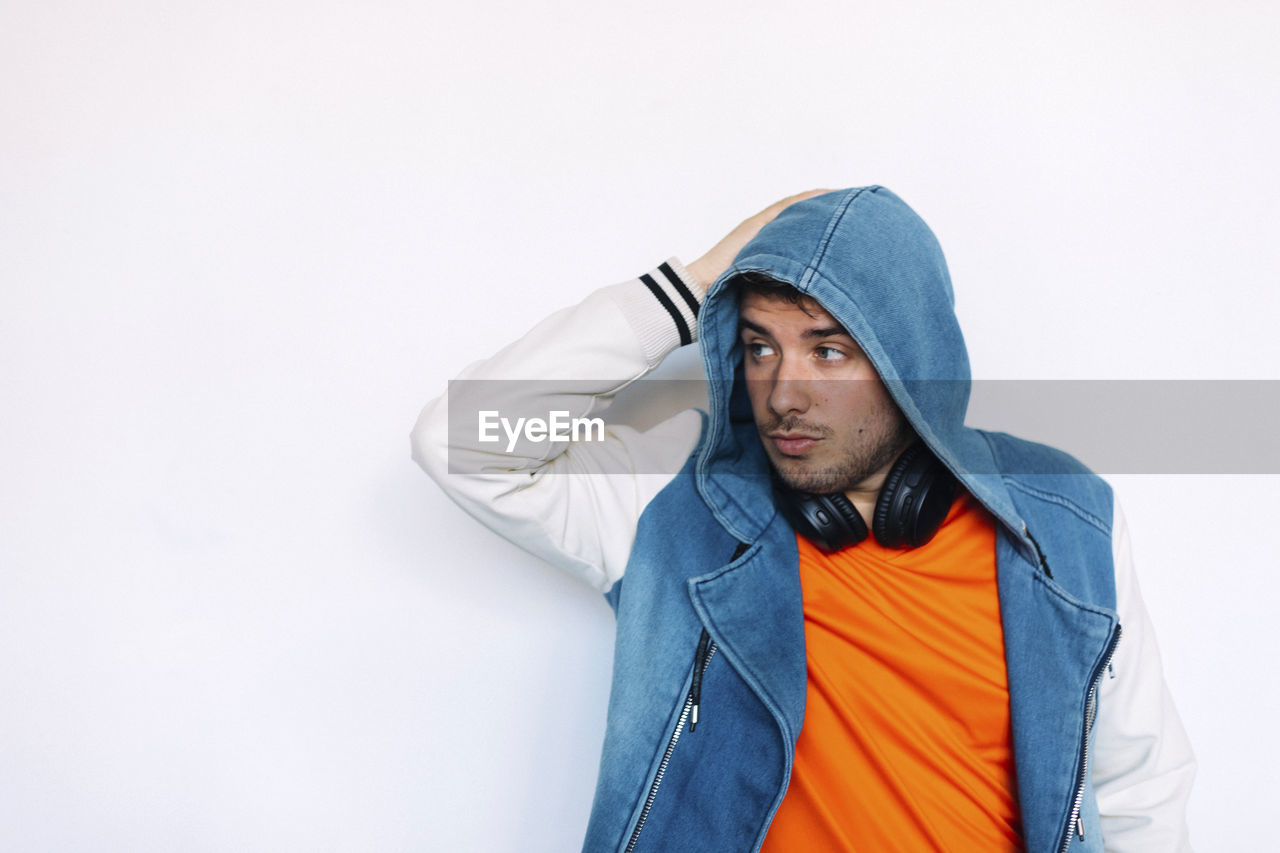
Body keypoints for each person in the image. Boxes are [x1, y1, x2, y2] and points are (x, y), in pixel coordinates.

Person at [411, 187, 1195, 852]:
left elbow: (1141, 782)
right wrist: (698, 283)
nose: (783, 392)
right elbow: (459, 442)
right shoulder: (681, 503)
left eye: (828, 351)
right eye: (758, 347)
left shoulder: (1061, 512)